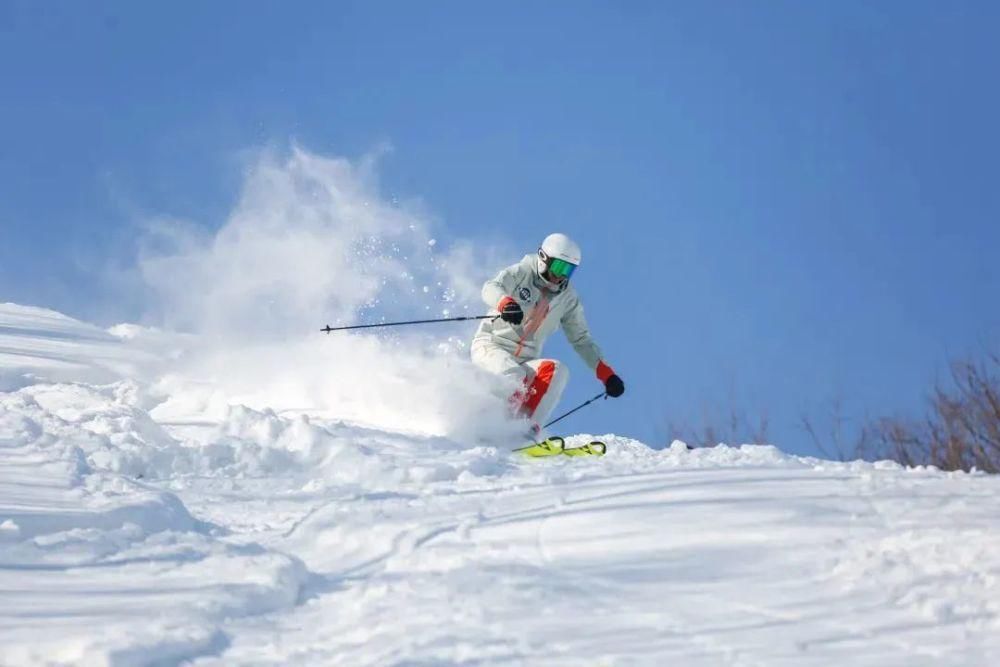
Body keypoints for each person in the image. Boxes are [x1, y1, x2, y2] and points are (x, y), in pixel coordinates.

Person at [471, 233, 624, 431]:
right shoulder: (523, 271)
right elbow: (491, 287)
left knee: (557, 371)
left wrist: (606, 374)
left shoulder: (568, 298)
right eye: (559, 267)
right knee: (513, 375)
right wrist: (505, 303)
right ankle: (490, 427)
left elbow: (581, 339)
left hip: (525, 360)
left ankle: (523, 432)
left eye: (568, 270)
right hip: (491, 345)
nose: (561, 275)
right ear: (543, 258)